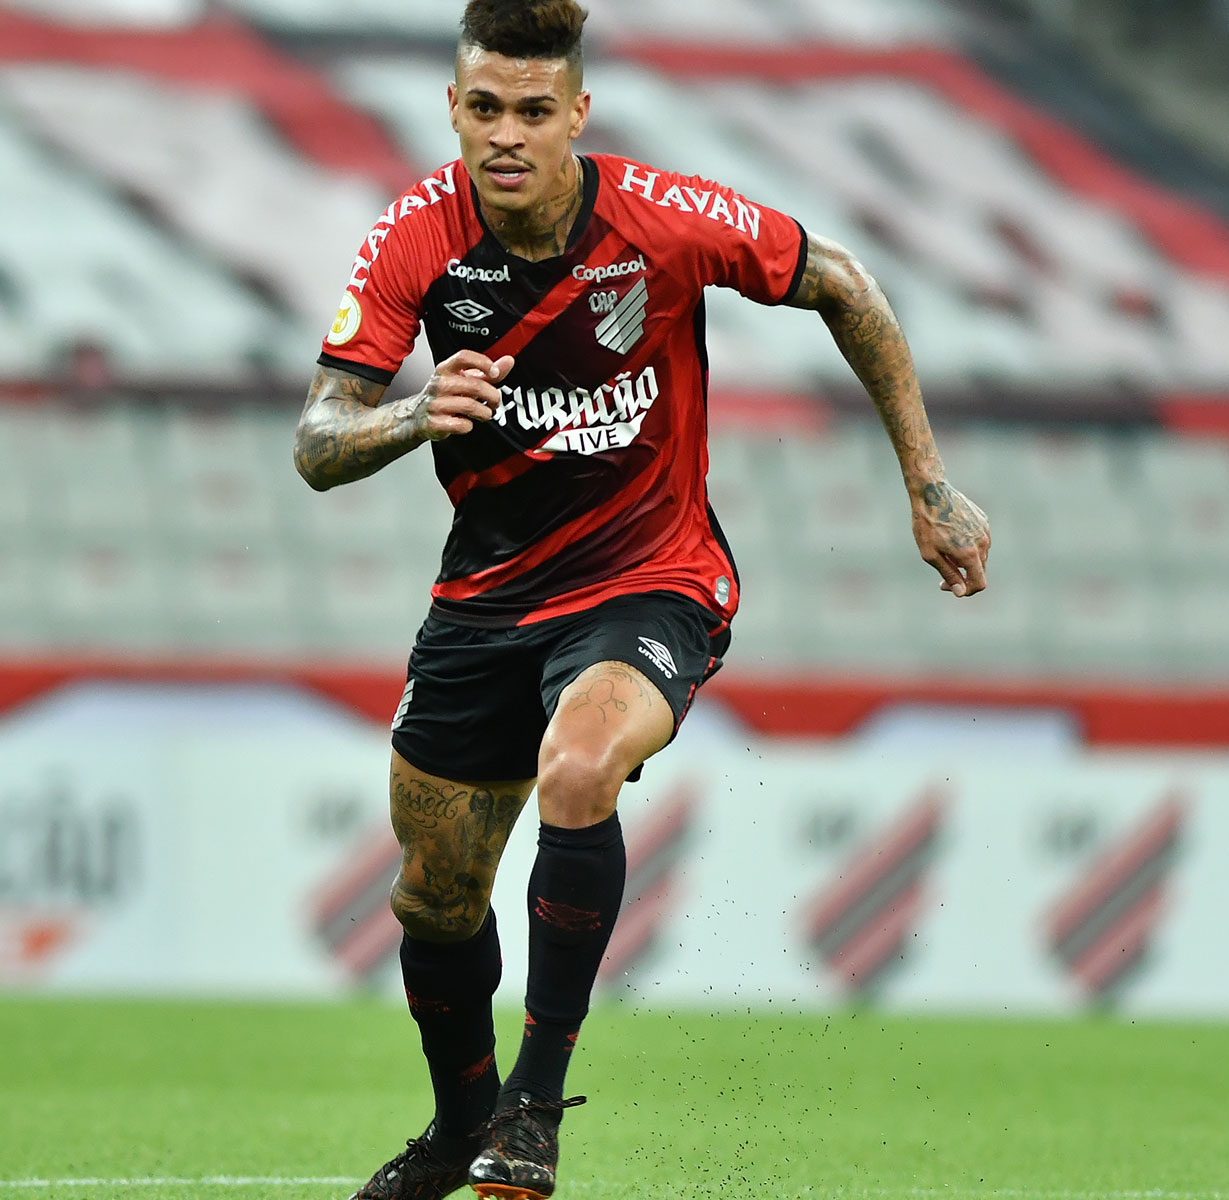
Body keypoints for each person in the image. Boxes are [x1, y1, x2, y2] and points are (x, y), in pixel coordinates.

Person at [290, 1, 992, 1195]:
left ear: (578, 113)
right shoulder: (416, 236)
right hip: (485, 601)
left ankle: (531, 1111)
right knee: (435, 896)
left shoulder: (662, 219)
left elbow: (844, 284)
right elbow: (317, 440)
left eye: (533, 111)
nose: (506, 134)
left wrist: (928, 485)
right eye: (483, 108)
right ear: (452, 108)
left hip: (649, 581)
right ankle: (462, 1128)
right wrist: (415, 414)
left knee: (579, 766)